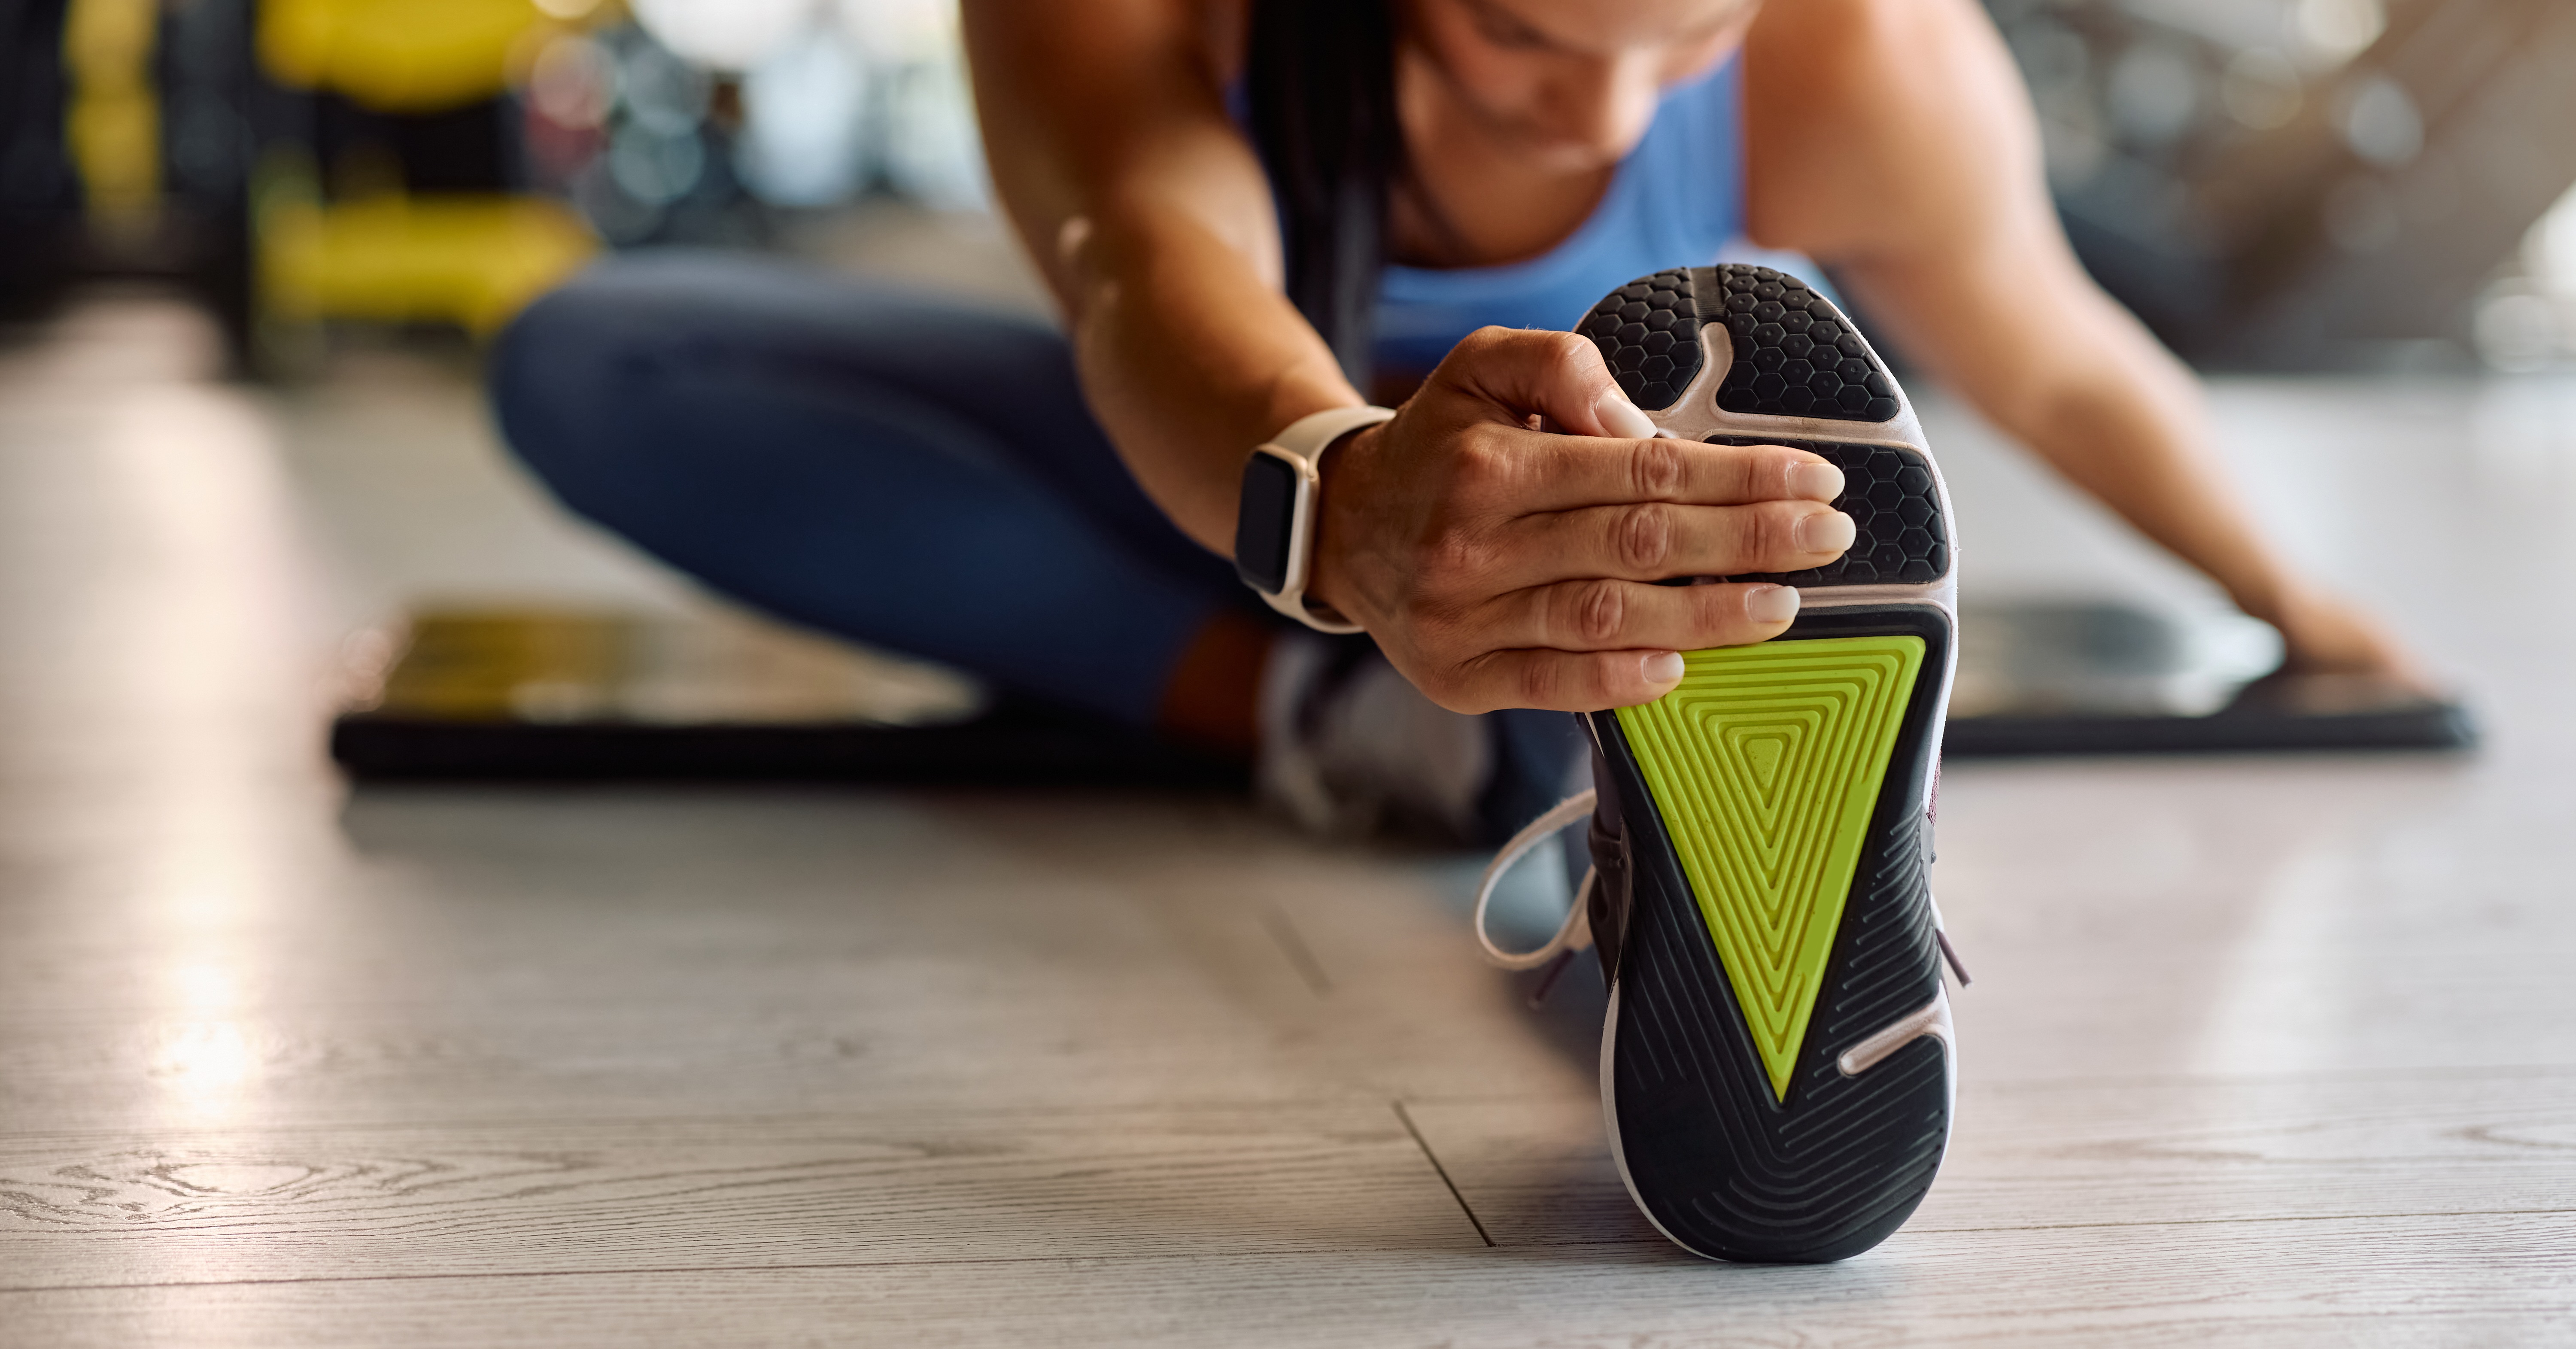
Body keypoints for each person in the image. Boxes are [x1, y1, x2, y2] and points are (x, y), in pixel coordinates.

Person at [492, 0, 2418, 845]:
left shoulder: (1872, 48)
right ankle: (1323, 724)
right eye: (1520, 34)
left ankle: (1615, 760)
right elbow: (1147, 269)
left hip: (1581, 581)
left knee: (1786, 348)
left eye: (1687, 43)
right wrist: (1345, 509)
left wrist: (2304, 614)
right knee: (597, 361)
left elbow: (2057, 356)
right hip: (1236, 493)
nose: (1601, 117)